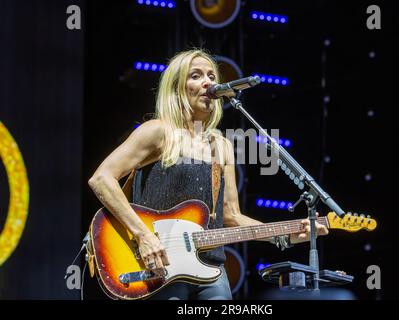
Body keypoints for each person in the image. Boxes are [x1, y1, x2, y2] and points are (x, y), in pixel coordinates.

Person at [88, 48, 329, 300]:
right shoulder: (158, 131)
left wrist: (282, 233)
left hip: (211, 268)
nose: (209, 82)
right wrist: (143, 235)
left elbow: (231, 216)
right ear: (177, 87)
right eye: (196, 75)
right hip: (159, 264)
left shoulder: (220, 145)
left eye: (212, 76)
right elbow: (102, 178)